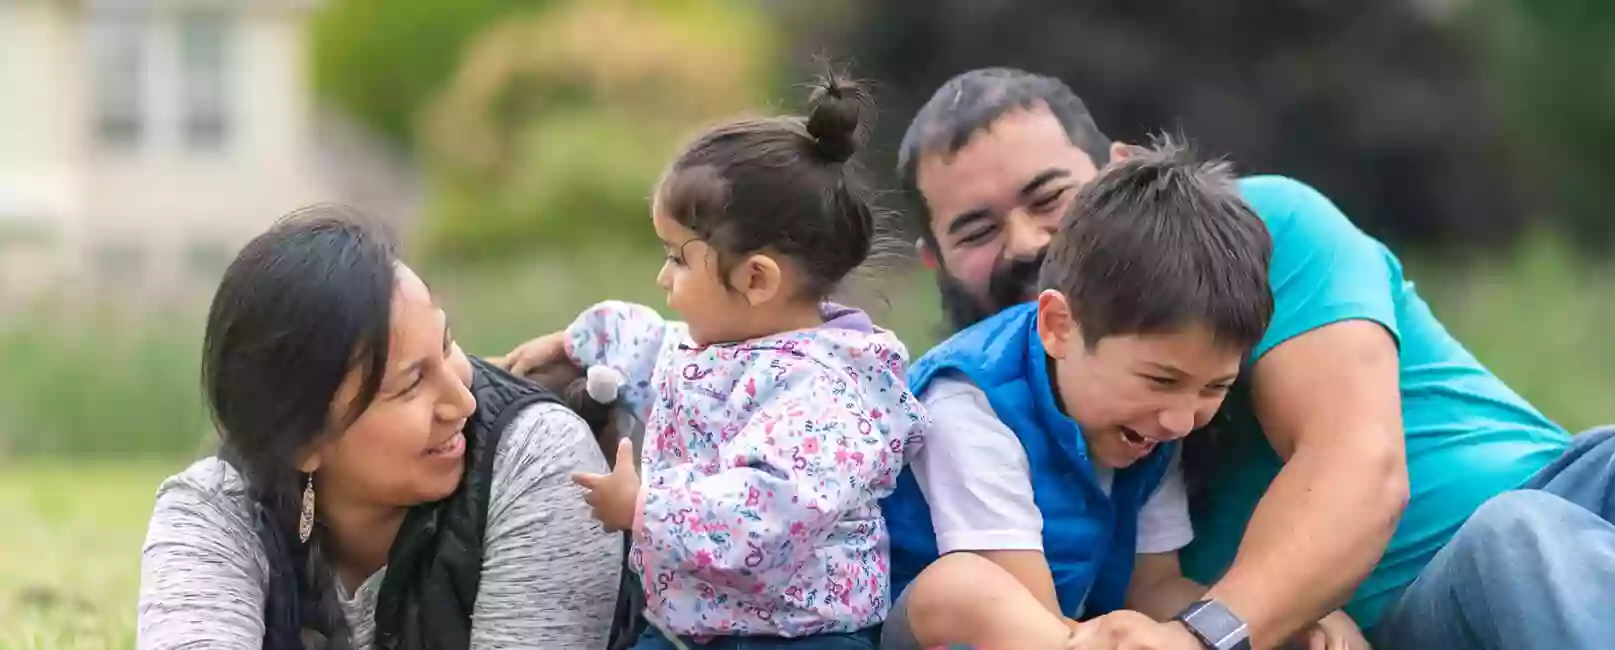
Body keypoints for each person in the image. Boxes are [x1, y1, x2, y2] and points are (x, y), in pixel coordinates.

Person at [892, 67, 1615, 649]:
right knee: (1515, 545)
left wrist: (1206, 633)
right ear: (936, 256)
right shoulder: (982, 416)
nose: (1024, 243)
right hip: (1433, 608)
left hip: (1587, 491)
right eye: (978, 227)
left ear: (1118, 170)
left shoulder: (1261, 226)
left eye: (1048, 195)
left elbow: (1358, 464)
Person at [875, 138, 1368, 650]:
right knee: (970, 589)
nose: (1181, 419)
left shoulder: (1149, 421)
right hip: (938, 634)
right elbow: (1023, 616)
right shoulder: (973, 401)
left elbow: (1153, 585)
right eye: (1161, 380)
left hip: (1067, 634)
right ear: (1059, 326)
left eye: (1215, 387)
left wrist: (1273, 627)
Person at [500, 73, 929, 650]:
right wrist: (575, 341)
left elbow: (766, 514)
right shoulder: (728, 347)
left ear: (755, 278)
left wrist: (643, 505)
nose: (662, 277)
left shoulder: (823, 394)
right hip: (695, 624)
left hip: (796, 634)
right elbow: (653, 346)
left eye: (678, 259)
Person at [136, 206, 623, 650]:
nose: (462, 400)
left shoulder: (539, 463)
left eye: (447, 344)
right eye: (411, 384)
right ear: (302, 442)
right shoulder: (216, 511)